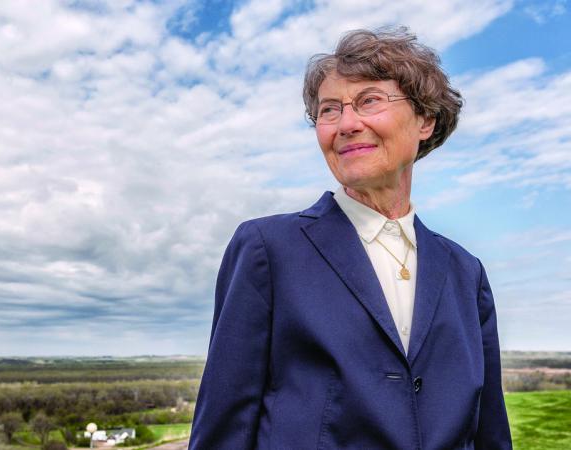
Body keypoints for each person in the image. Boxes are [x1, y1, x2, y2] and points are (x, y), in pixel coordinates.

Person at [189, 27, 512, 450]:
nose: (346, 124)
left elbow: (489, 428)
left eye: (369, 101)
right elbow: (223, 426)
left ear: (426, 120)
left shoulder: (466, 271)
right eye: (329, 110)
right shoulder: (267, 248)